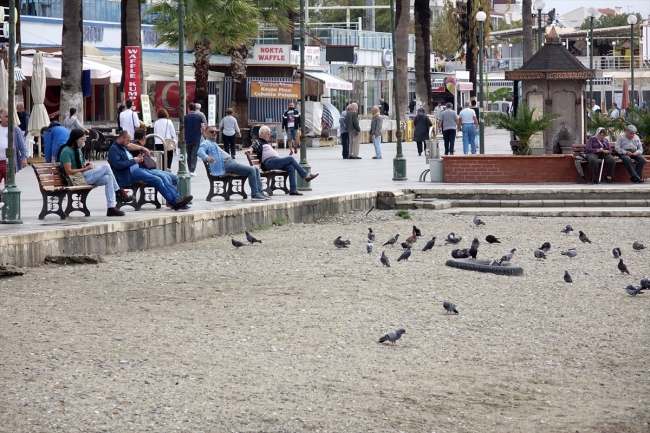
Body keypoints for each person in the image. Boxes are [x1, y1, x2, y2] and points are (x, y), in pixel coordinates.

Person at [108, 130, 193, 210]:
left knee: (163, 178)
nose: (128, 143)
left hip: (138, 169)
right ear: (122, 138)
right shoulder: (114, 150)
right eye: (127, 140)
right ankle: (175, 203)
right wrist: (134, 160)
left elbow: (130, 146)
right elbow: (118, 165)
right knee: (157, 179)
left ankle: (178, 200)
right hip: (129, 174)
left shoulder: (123, 147)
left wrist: (141, 150)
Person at [58, 128, 135, 217]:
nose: (85, 138)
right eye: (83, 136)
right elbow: (68, 171)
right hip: (75, 179)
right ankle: (118, 191)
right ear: (77, 139)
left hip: (81, 176)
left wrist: (86, 166)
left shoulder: (78, 150)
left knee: (108, 178)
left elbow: (78, 167)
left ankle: (111, 207)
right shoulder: (66, 151)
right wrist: (85, 169)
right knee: (106, 167)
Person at [198, 125, 269, 201]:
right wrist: (207, 158)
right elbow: (200, 151)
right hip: (227, 165)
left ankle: (260, 193)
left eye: (216, 131)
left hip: (230, 163)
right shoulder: (206, 143)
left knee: (256, 169)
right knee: (251, 170)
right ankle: (255, 194)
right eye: (212, 132)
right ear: (206, 133)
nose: (214, 133)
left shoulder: (213, 143)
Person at [249, 126, 319, 196]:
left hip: (274, 161)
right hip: (269, 163)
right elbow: (253, 146)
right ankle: (306, 175)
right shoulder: (258, 141)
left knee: (291, 167)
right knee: (290, 159)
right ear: (262, 133)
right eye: (268, 134)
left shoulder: (265, 143)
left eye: (269, 134)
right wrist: (250, 149)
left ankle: (293, 190)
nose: (269, 136)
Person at [0, 108, 28, 187]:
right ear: (0, 117)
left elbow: (22, 145)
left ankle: (7, 198)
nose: (9, 118)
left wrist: (24, 158)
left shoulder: (15, 129)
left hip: (10, 162)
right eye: (6, 116)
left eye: (10, 116)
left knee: (9, 185)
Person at [184, 102, 205, 176]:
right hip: (196, 138)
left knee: (189, 154)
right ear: (195, 109)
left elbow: (182, 128)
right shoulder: (199, 117)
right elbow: (203, 127)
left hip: (187, 138)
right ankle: (192, 170)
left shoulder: (185, 117)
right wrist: (204, 135)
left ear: (188, 109)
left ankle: (189, 168)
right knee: (194, 154)